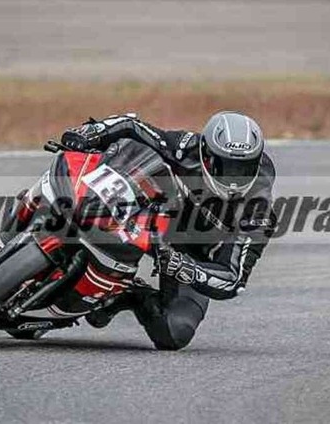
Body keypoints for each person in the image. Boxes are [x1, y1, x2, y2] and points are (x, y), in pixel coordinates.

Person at [58, 111, 277, 350]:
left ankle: (130, 295)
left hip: (189, 253)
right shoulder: (187, 149)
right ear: (206, 154)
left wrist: (184, 267)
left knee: (175, 332)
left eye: (242, 169)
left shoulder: (259, 213)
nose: (232, 179)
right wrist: (93, 132)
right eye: (225, 166)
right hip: (151, 211)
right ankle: (60, 209)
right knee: (129, 157)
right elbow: (132, 125)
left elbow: (232, 279)